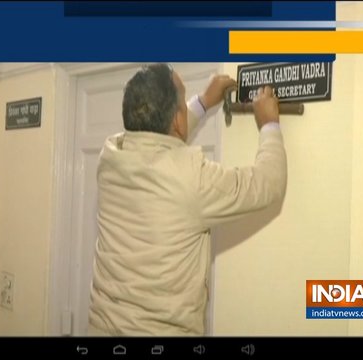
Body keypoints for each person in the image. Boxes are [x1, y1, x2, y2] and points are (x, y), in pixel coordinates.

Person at [88, 63, 287, 336]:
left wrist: (203, 102)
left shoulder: (110, 155)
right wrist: (269, 125)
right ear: (177, 119)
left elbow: (156, 139)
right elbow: (269, 183)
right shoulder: (193, 179)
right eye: (183, 99)